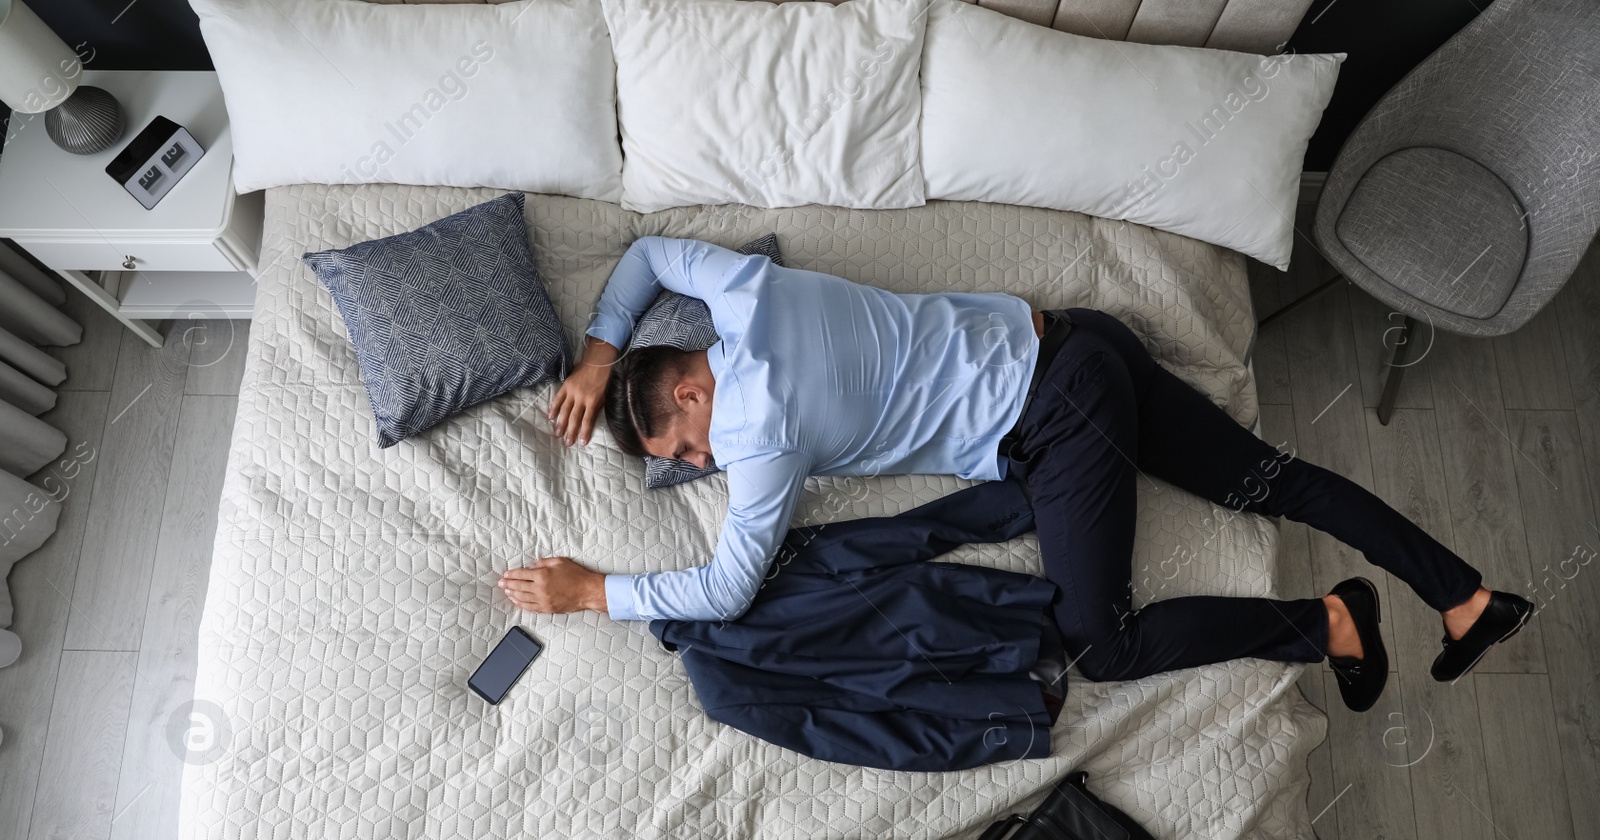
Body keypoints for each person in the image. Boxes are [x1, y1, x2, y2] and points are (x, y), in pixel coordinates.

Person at [499, 236, 1533, 711]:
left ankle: (1328, 623)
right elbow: (643, 255)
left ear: (687, 392)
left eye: (684, 447)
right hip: (1083, 343)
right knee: (1278, 481)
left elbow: (728, 588)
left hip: (1058, 419)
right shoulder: (744, 289)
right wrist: (600, 351)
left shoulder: (765, 442)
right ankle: (1464, 595)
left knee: (1104, 648)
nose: (699, 467)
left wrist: (596, 590)